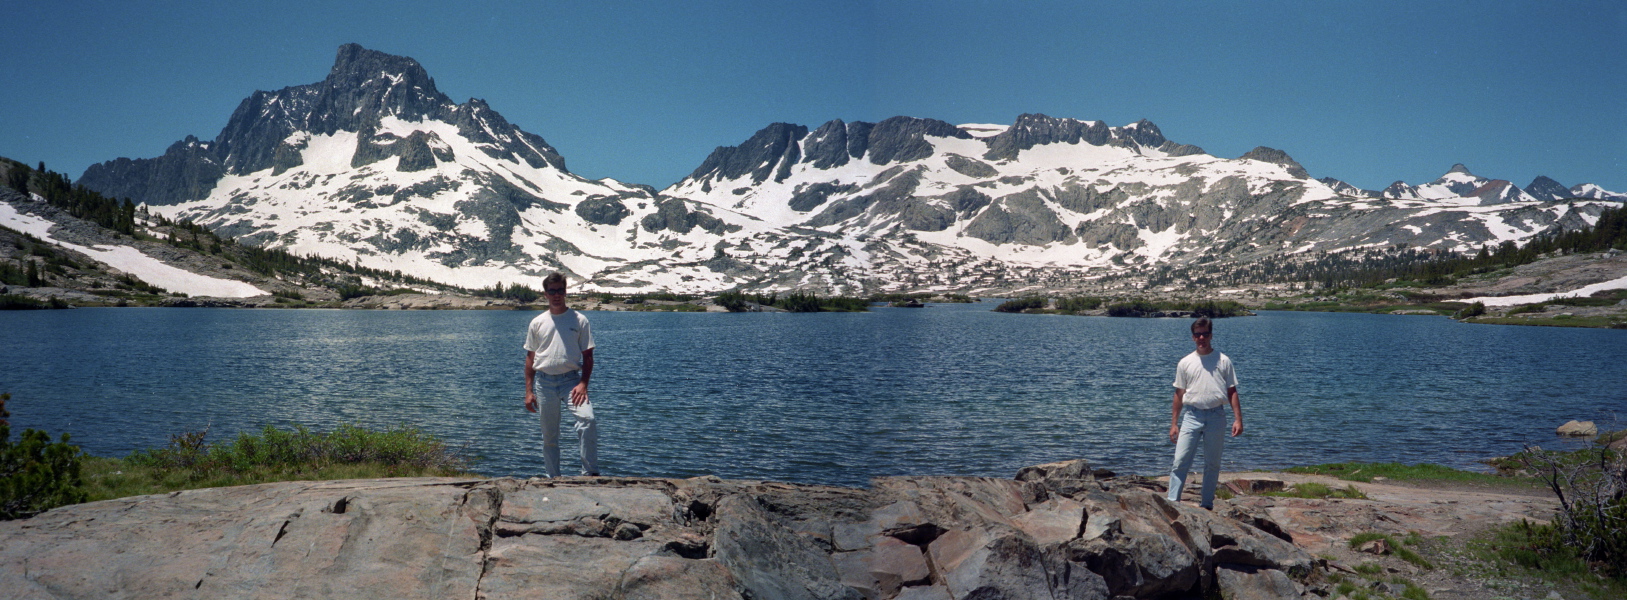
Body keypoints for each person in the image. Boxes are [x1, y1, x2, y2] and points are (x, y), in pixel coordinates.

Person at [523, 272, 598, 477]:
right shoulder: (537, 322)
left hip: (572, 381)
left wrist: (584, 383)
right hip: (544, 383)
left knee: (587, 419)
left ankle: (590, 473)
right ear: (545, 294)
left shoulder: (580, 320)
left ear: (565, 292)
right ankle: (553, 478)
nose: (556, 295)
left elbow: (588, 357)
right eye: (552, 291)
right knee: (549, 436)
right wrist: (529, 391)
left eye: (560, 290)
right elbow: (530, 359)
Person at [1166, 316, 1242, 509]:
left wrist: (1238, 419)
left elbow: (1232, 391)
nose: (1201, 338)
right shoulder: (1185, 362)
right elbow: (1179, 394)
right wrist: (1174, 423)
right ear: (1193, 337)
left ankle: (1206, 504)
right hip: (1191, 416)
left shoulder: (1224, 361)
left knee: (1212, 464)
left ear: (1211, 336)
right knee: (1180, 460)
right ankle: (1172, 503)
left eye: (1205, 334)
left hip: (1217, 416)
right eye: (1197, 335)